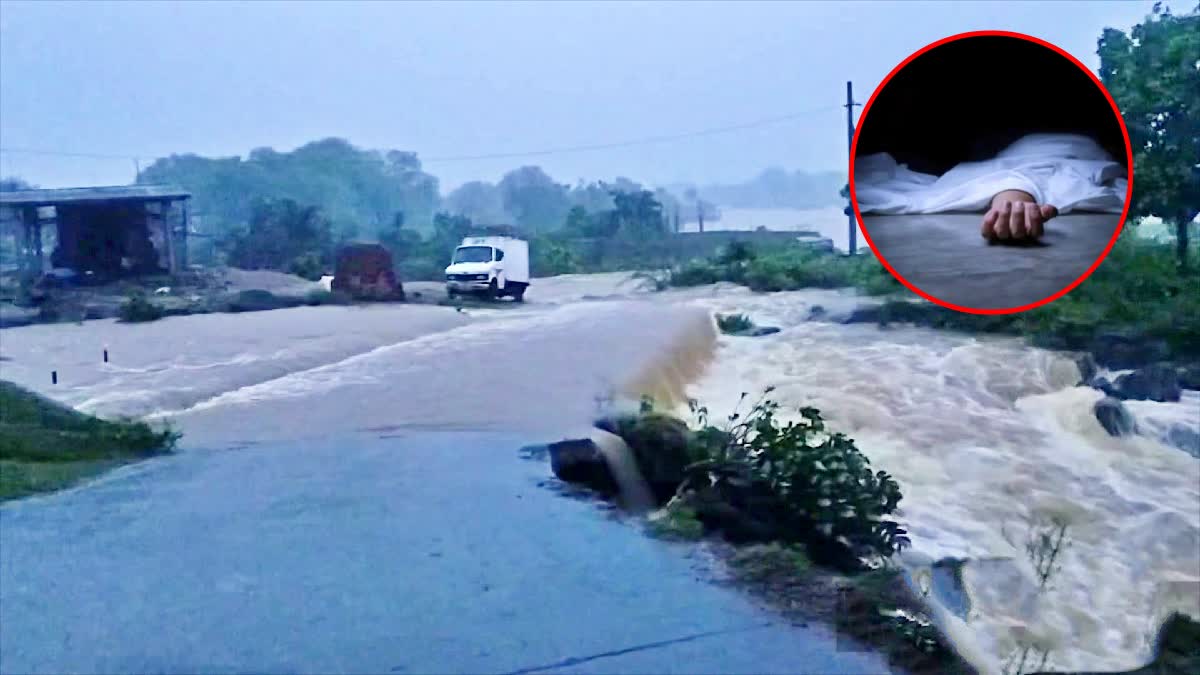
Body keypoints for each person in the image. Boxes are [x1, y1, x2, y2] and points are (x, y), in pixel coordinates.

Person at [853, 133, 1127, 242]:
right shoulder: (1055, 146)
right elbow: (1024, 171)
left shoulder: (1096, 157)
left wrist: (1014, 199)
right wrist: (1013, 200)